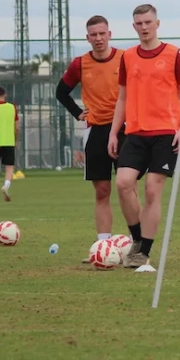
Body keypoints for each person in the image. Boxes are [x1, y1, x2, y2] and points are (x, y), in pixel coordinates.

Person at [108, 4, 180, 270]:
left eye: (148, 22)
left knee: (152, 191)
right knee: (123, 184)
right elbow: (122, 97)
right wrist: (113, 132)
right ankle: (137, 239)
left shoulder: (174, 55)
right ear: (134, 26)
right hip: (134, 133)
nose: (144, 27)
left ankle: (143, 252)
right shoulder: (128, 57)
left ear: (157, 24)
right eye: (139, 23)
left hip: (166, 135)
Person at [57, 15, 129, 260]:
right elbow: (61, 92)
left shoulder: (125, 58)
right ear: (87, 38)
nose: (98, 38)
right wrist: (77, 113)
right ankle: (103, 247)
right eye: (93, 35)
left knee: (127, 187)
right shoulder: (80, 64)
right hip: (95, 131)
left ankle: (138, 245)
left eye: (102, 33)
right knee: (102, 190)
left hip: (124, 129)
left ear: (110, 34)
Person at [0, 86, 18, 200]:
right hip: (9, 141)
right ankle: (6, 185)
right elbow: (17, 127)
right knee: (9, 167)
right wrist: (16, 140)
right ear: (5, 95)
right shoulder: (12, 107)